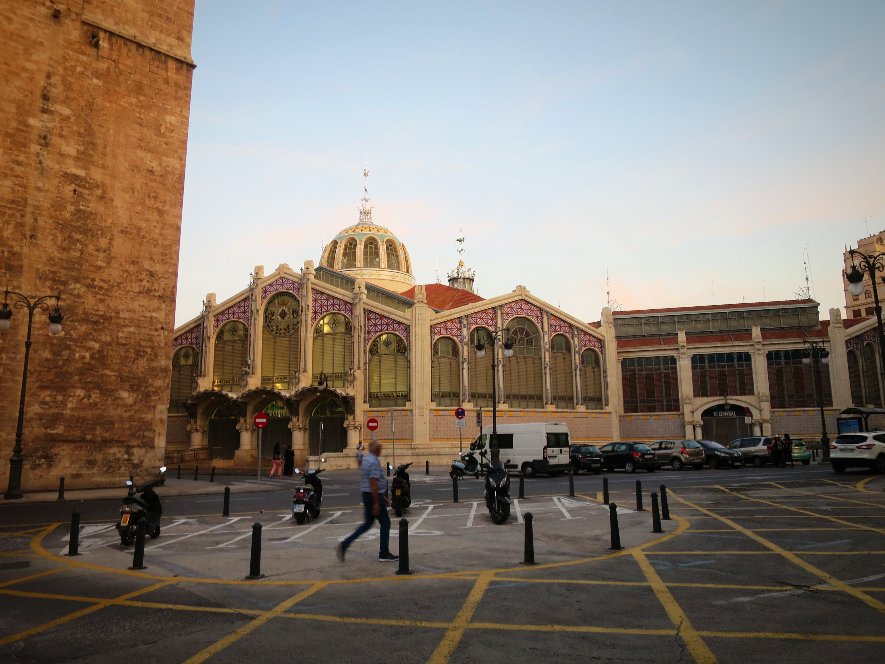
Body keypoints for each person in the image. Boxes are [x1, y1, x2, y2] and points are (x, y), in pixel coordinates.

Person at [335, 440, 398, 562]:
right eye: (380, 448)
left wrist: (382, 497)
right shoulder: (373, 461)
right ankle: (384, 553)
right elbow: (373, 482)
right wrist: (376, 502)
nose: (381, 450)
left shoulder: (366, 459)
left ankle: (344, 544)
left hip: (367, 494)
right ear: (377, 450)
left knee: (367, 524)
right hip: (372, 496)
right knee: (385, 523)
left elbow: (364, 470)